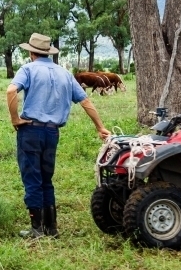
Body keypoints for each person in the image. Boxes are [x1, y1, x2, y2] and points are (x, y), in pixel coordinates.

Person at [6, 33, 110, 238]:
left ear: (30, 52)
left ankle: (36, 229)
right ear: (48, 52)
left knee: (32, 177)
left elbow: (11, 91)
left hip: (31, 131)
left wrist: (15, 119)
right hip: (52, 132)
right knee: (46, 178)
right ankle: (51, 228)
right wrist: (100, 127)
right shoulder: (64, 73)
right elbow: (85, 101)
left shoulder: (28, 69)